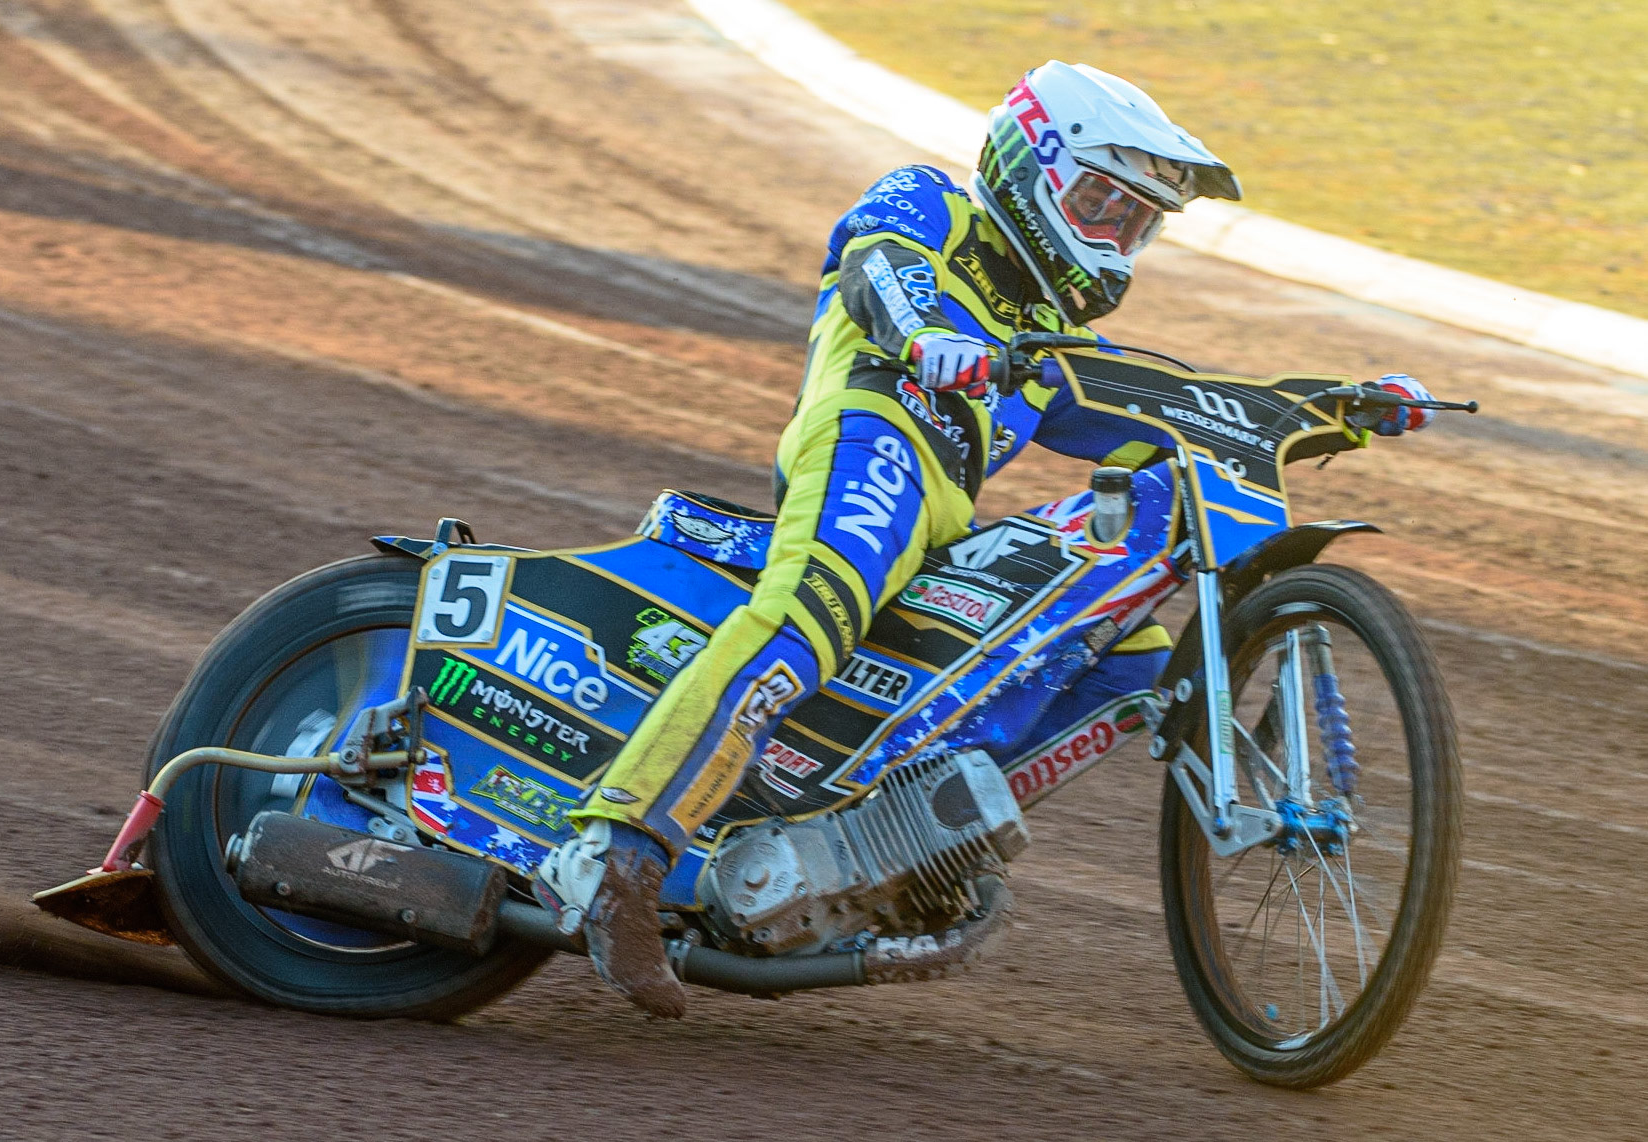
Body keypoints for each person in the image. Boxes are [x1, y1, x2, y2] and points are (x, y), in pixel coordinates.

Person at [536, 61, 1436, 1017]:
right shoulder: (931, 202)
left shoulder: (1048, 343)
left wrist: (1328, 406)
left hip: (944, 524)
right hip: (869, 445)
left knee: (1131, 663)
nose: (1112, 236)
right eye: (1097, 202)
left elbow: (1184, 406)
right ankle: (620, 850)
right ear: (1027, 166)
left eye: (1132, 222)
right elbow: (874, 263)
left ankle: (900, 847)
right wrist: (926, 332)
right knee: (813, 611)